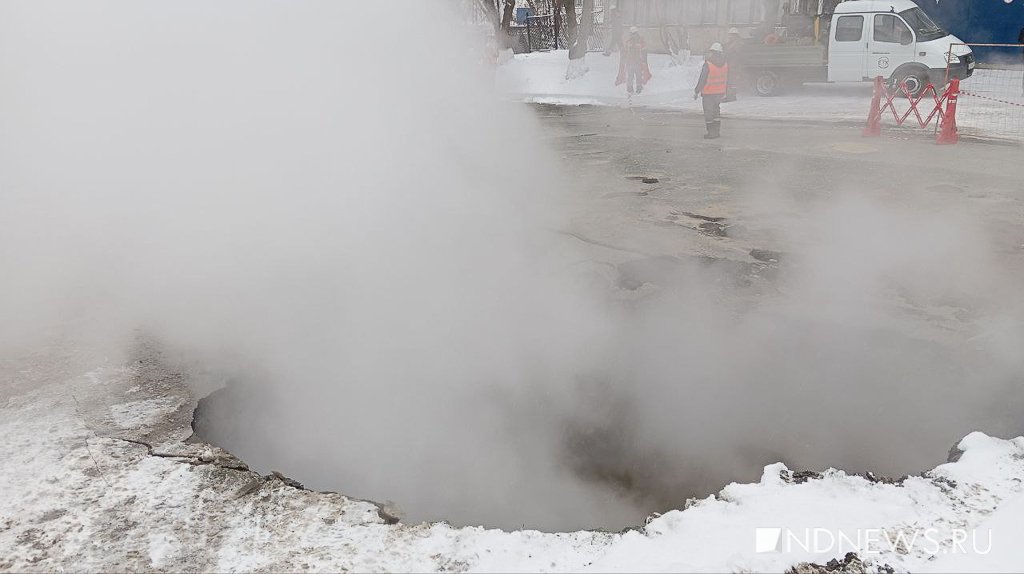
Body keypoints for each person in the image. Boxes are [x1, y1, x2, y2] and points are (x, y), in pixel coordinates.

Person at [693, 43, 728, 139]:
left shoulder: (708, 64)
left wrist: (697, 91)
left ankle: (711, 133)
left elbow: (702, 79)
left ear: (713, 53)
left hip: (708, 93)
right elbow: (727, 78)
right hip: (719, 93)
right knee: (716, 112)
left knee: (709, 113)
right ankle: (717, 132)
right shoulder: (725, 64)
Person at [615, 27, 652, 95]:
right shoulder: (641, 40)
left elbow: (624, 52)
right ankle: (639, 89)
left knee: (630, 76)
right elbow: (644, 51)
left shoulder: (628, 41)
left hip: (630, 61)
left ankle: (630, 89)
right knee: (638, 75)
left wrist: (624, 61)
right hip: (638, 61)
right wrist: (644, 61)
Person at [723, 28, 744, 102]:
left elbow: (732, 54)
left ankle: (730, 97)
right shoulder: (733, 43)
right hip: (732, 66)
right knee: (730, 82)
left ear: (735, 35)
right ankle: (731, 96)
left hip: (734, 66)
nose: (729, 37)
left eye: (730, 35)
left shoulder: (737, 44)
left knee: (731, 82)